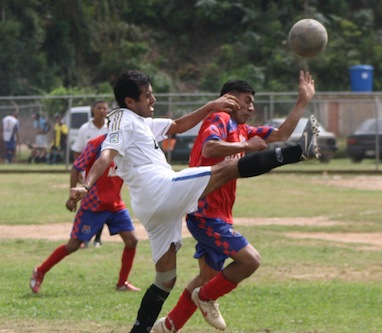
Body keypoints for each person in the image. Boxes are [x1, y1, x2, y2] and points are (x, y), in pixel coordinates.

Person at [68, 70, 318, 333]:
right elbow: (106, 154)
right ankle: (297, 152)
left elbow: (176, 126)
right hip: (161, 190)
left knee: (165, 279)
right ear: (130, 102)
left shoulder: (141, 122)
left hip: (156, 208)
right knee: (226, 169)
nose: (153, 99)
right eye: (147, 95)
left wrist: (210, 105)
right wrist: (86, 185)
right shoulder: (121, 120)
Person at [151, 72, 315, 333]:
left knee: (207, 278)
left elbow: (281, 133)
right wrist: (245, 146)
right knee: (250, 260)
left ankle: (168, 326)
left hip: (220, 215)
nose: (251, 107)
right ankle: (206, 298)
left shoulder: (242, 129)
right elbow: (209, 148)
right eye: (247, 100)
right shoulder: (220, 118)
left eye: (253, 102)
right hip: (204, 213)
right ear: (229, 99)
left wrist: (302, 100)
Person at [29, 133, 140, 294]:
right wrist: (71, 195)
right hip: (93, 205)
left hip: (115, 204)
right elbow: (76, 167)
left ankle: (122, 283)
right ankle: (40, 271)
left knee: (132, 241)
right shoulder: (95, 144)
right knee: (73, 245)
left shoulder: (129, 142)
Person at [71, 100, 108, 248]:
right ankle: (85, 237)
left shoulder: (110, 128)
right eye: (98, 108)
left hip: (105, 174)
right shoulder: (84, 129)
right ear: (93, 110)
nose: (101, 111)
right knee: (88, 205)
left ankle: (97, 239)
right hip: (89, 175)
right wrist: (79, 170)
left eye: (104, 108)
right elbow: (78, 151)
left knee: (105, 205)